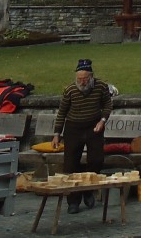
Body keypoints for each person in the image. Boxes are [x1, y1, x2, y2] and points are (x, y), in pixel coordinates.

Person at [53, 59, 112, 214]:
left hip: (94, 126)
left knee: (96, 160)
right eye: (79, 79)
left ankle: (88, 190)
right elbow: (62, 112)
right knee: (71, 164)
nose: (82, 82)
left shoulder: (101, 87)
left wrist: (103, 120)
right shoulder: (70, 90)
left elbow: (107, 105)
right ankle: (73, 201)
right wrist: (57, 134)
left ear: (91, 76)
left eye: (85, 79)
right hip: (73, 127)